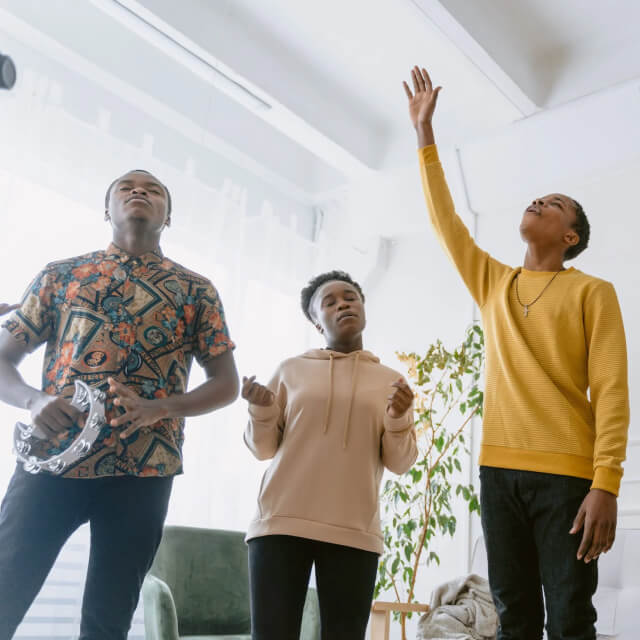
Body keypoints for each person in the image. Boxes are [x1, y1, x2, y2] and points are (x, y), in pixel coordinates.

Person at [403, 66, 630, 639]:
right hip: (498, 472)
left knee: (571, 620)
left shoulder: (593, 291)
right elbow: (445, 222)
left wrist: (606, 482)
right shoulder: (493, 282)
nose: (538, 202)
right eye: (538, 198)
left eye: (553, 204)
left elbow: (611, 389)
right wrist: (424, 135)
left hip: (567, 477)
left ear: (570, 236)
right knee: (514, 620)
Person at [0, 169, 239, 639]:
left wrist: (161, 408)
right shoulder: (59, 275)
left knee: (108, 621)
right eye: (126, 187)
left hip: (145, 470)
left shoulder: (198, 290)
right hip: (52, 459)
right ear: (106, 210)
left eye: (153, 189)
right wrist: (34, 399)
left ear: (169, 216)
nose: (139, 191)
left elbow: (226, 383)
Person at [242, 270, 417, 640]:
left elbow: (400, 463)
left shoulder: (391, 382)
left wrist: (398, 418)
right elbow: (263, 449)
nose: (342, 304)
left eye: (350, 297)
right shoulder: (291, 370)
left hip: (354, 530)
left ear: (363, 307)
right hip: (280, 522)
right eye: (330, 302)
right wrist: (260, 410)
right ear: (316, 322)